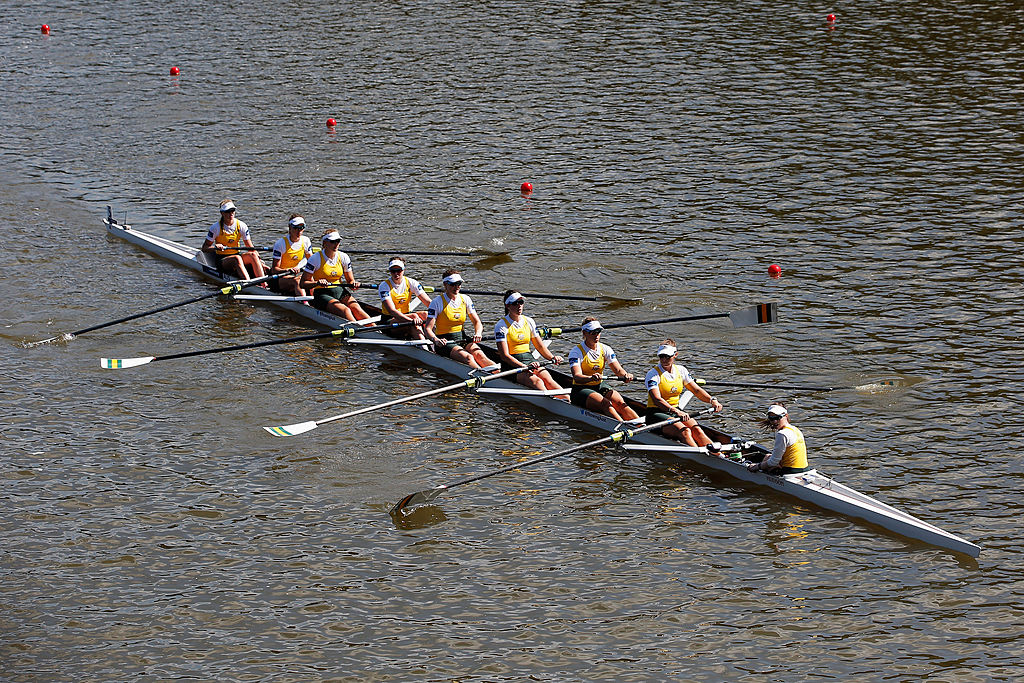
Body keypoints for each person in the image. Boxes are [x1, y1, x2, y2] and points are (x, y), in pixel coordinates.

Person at [644, 339, 724, 448]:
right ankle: (702, 457)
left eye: (667, 356)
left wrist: (712, 400)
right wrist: (676, 411)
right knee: (685, 431)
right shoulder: (653, 374)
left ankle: (718, 455)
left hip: (675, 411)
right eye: (661, 356)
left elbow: (696, 390)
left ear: (675, 355)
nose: (664, 359)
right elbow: (657, 399)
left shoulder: (681, 370)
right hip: (656, 414)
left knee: (697, 430)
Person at [567, 317, 640, 422]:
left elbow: (618, 370)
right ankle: (624, 427)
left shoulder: (605, 349)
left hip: (599, 385)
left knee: (620, 403)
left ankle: (642, 427)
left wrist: (625, 375)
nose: (596, 335)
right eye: (593, 332)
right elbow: (577, 377)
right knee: (606, 404)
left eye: (598, 331)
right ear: (584, 333)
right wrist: (590, 378)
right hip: (580, 389)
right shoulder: (576, 352)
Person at [493, 290, 564, 391]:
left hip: (529, 359)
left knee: (548, 379)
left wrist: (552, 357)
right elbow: (504, 356)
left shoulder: (529, 321)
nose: (519, 306)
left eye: (521, 302)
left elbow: (540, 346)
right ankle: (554, 403)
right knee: (537, 382)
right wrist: (524, 366)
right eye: (515, 303)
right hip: (511, 365)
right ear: (507, 306)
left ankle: (567, 400)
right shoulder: (501, 325)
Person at [423, 270, 495, 369]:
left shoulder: (465, 299)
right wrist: (436, 340)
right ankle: (485, 377)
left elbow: (477, 322)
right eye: (453, 284)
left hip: (462, 337)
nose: (456, 287)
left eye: (459, 283)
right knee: (468, 358)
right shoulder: (436, 302)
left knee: (480, 355)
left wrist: (478, 333)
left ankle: (498, 375)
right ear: (445, 284)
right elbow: (428, 329)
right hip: (444, 342)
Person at [299, 231, 371, 322]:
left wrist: (354, 284)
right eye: (332, 241)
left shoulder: (344, 257)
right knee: (346, 310)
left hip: (339, 290)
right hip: (322, 293)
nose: (336, 244)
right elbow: (303, 284)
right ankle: (361, 331)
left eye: (338, 241)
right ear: (325, 243)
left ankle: (376, 331)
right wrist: (317, 283)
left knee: (357, 308)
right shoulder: (315, 259)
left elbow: (350, 281)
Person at [201, 199, 267, 281]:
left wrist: (259, 260)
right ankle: (248, 283)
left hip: (237, 255)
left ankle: (263, 282)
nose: (231, 213)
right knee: (237, 258)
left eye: (232, 210)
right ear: (222, 213)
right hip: (222, 260)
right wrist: (215, 247)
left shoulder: (241, 226)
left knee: (253, 255)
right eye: (228, 211)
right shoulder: (215, 228)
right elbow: (204, 248)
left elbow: (250, 248)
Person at [377, 257, 432, 338]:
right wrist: (411, 321)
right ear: (390, 271)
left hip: (406, 316)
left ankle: (435, 338)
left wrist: (441, 314)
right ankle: (425, 347)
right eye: (393, 271)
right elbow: (392, 311)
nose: (396, 274)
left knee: (426, 314)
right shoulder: (384, 286)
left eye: (399, 270)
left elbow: (428, 302)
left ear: (403, 270)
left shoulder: (411, 282)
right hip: (390, 321)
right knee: (414, 318)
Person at [747, 403, 809, 474]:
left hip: (790, 473)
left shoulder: (782, 434)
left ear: (786, 416)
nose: (774, 421)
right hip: (805, 469)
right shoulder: (795, 429)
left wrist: (757, 466)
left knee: (767, 461)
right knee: (768, 456)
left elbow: (773, 462)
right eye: (771, 418)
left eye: (777, 418)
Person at [269, 214, 313, 297]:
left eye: (301, 227)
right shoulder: (280, 244)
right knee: (297, 281)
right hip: (280, 278)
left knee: (312, 278)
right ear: (290, 227)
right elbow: (274, 269)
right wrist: (287, 270)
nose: (299, 231)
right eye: (295, 228)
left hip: (295, 274)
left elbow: (312, 262)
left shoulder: (306, 240)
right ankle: (305, 305)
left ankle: (316, 301)